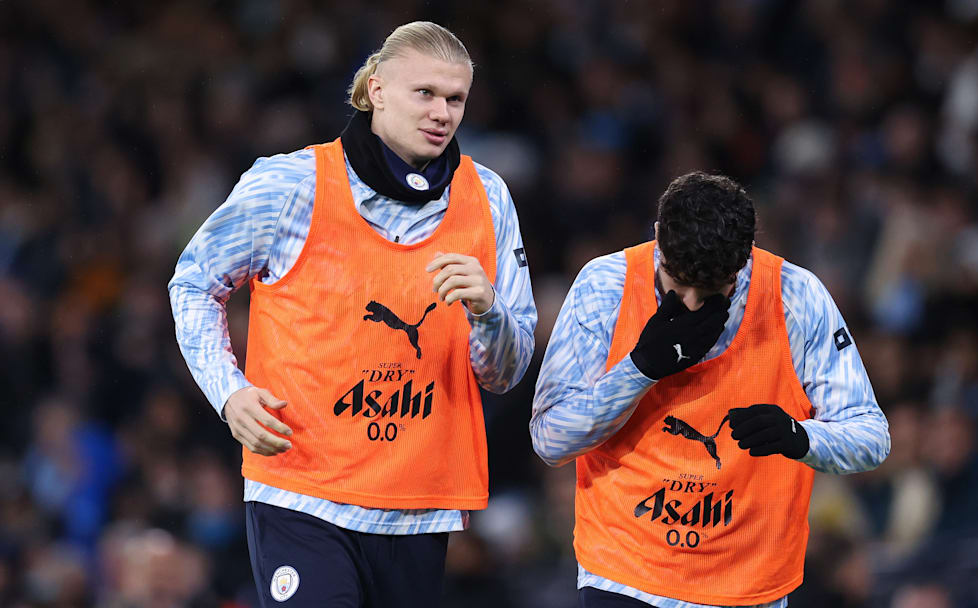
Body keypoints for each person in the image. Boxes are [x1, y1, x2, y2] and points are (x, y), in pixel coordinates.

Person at [169, 21, 535, 607]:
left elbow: (505, 373)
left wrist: (489, 311)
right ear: (377, 90)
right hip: (303, 490)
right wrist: (229, 392)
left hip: (420, 506)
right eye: (426, 93)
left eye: (456, 98)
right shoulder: (289, 184)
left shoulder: (488, 197)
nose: (442, 111)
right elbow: (193, 285)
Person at [530, 172, 890, 608]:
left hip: (749, 584)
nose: (693, 305)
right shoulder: (606, 285)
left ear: (745, 261)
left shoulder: (797, 297)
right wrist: (639, 370)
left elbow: (872, 436)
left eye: (713, 291)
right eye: (677, 286)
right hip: (626, 573)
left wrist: (802, 437)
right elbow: (550, 440)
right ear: (658, 238)